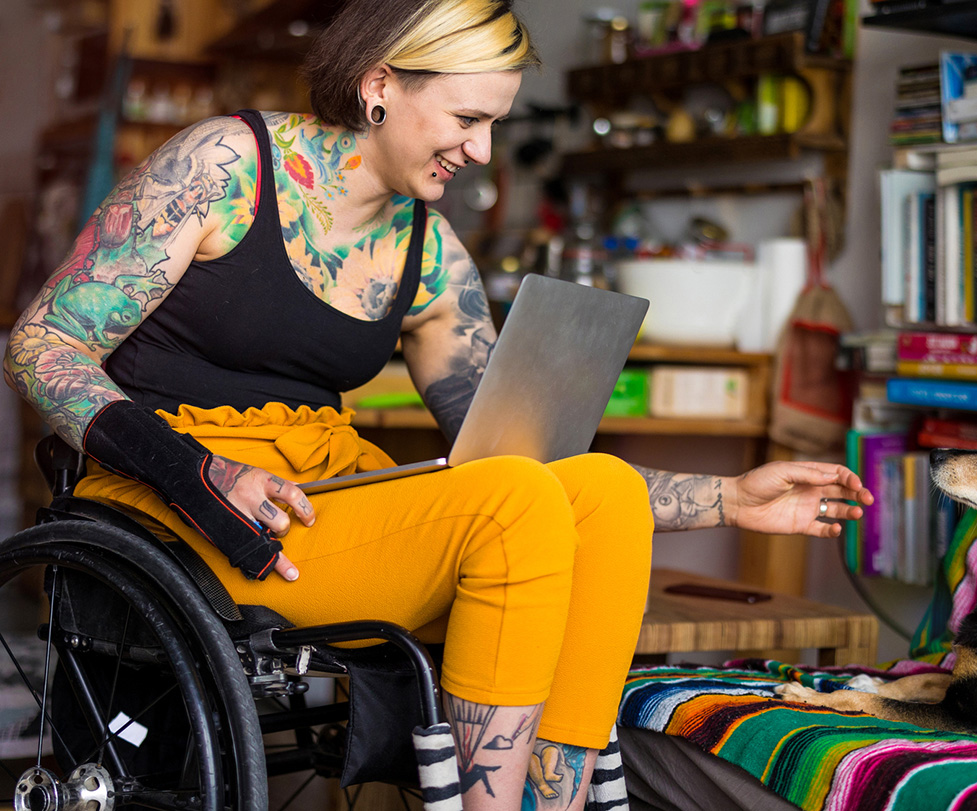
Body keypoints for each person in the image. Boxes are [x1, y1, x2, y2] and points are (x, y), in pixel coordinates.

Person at [3, 0, 872, 808]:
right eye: (468, 119)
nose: (483, 151)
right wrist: (200, 472)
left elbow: (526, 454)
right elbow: (42, 343)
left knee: (594, 493)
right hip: (178, 494)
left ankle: (552, 798)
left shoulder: (430, 251)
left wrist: (732, 498)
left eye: (495, 124)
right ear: (380, 86)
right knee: (512, 503)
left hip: (319, 492)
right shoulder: (224, 168)